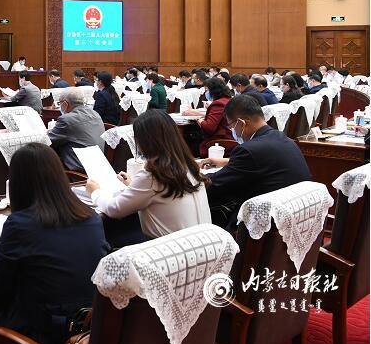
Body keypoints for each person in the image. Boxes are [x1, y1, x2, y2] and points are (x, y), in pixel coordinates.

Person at [0, 144, 108, 344]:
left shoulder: (20, 225)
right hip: (87, 327)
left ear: (18, 184)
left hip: (43, 332)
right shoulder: (91, 217)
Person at [87, 110, 211, 239]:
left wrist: (95, 192)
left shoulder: (153, 175)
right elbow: (158, 194)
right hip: (202, 243)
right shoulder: (189, 166)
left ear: (144, 142)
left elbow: (115, 209)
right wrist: (133, 185)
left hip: (171, 247)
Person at [201, 95, 311, 229]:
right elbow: (264, 161)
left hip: (262, 228)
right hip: (293, 218)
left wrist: (194, 178)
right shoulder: (283, 138)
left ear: (241, 122)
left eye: (231, 126)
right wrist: (226, 162)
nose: (232, 131)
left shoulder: (248, 150)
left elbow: (215, 185)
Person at [47, 88, 105, 171]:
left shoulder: (67, 119)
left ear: (65, 104)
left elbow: (48, 141)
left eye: (60, 103)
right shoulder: (95, 114)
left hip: (80, 170)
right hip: (99, 166)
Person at [182, 77, 231, 156]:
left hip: (219, 141)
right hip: (225, 138)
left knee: (185, 142)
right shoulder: (227, 100)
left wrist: (199, 119)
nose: (206, 92)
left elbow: (209, 128)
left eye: (207, 90)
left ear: (213, 90)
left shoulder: (218, 104)